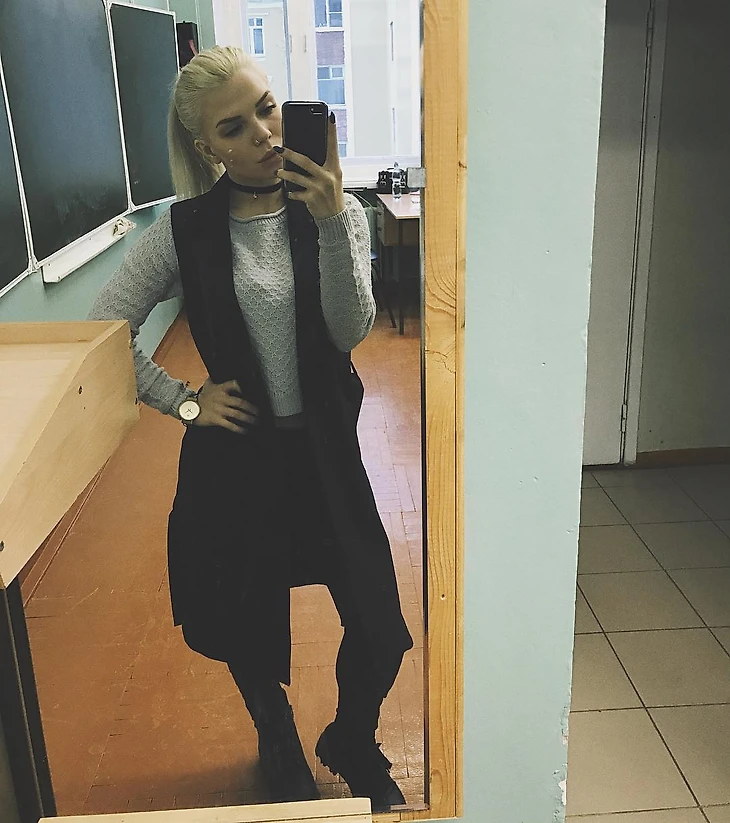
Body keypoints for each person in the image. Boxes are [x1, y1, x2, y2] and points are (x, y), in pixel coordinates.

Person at [88, 45, 413, 811]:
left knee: (379, 624)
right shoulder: (186, 231)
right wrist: (183, 401)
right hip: (237, 459)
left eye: (267, 109)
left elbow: (350, 329)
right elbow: (104, 328)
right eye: (234, 127)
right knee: (246, 614)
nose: (264, 134)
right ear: (209, 149)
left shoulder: (335, 208)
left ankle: (351, 737)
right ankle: (276, 733)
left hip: (325, 454)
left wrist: (331, 219)